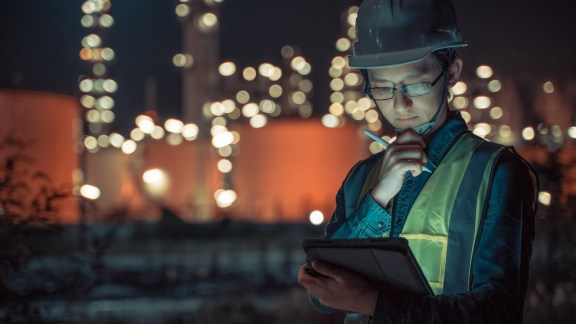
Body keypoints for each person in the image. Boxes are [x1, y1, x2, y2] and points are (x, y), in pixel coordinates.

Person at [297, 0, 538, 323]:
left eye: (415, 83)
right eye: (382, 88)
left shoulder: (496, 172)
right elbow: (324, 296)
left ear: (451, 72)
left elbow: (497, 311)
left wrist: (374, 303)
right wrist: (379, 196)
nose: (400, 104)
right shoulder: (363, 177)